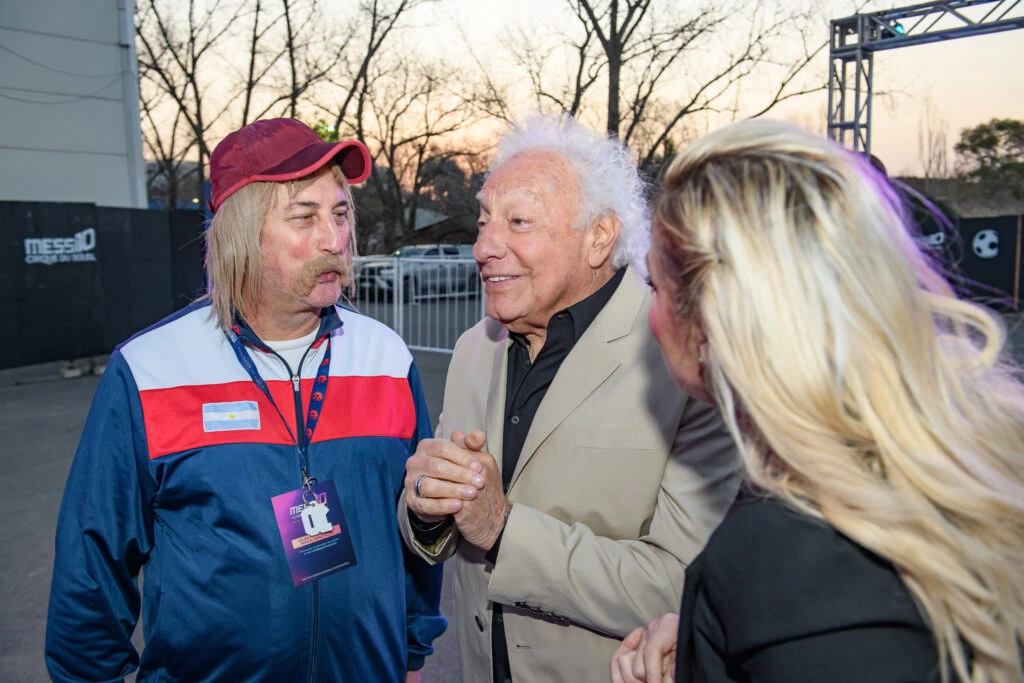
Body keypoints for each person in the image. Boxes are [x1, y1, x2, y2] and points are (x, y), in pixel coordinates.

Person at [610, 119, 1024, 683]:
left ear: (712, 319)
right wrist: (715, 639)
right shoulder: (926, 458)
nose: (648, 317)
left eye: (654, 287)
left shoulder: (795, 553)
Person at [45, 118, 446, 682]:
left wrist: (410, 652)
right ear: (240, 232)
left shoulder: (386, 357)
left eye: (339, 213)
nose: (335, 239)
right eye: (304, 217)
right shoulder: (151, 369)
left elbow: (410, 525)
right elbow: (92, 563)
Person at [400, 114, 742, 683]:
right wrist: (425, 505)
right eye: (484, 221)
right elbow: (443, 526)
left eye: (519, 221)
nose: (484, 246)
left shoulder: (683, 358)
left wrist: (504, 531)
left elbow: (688, 585)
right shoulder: (473, 349)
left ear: (600, 237)